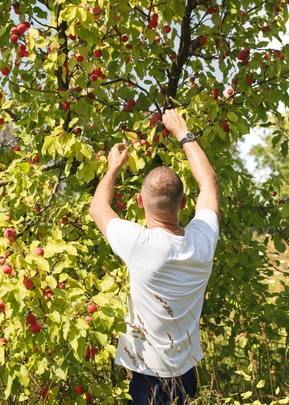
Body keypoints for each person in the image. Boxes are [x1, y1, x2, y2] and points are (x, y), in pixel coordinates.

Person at [89, 109, 220, 404]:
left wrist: (113, 168)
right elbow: (209, 183)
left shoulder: (140, 243)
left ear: (139, 201)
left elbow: (98, 208)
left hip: (147, 375)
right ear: (184, 203)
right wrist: (181, 132)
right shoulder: (202, 241)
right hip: (187, 372)